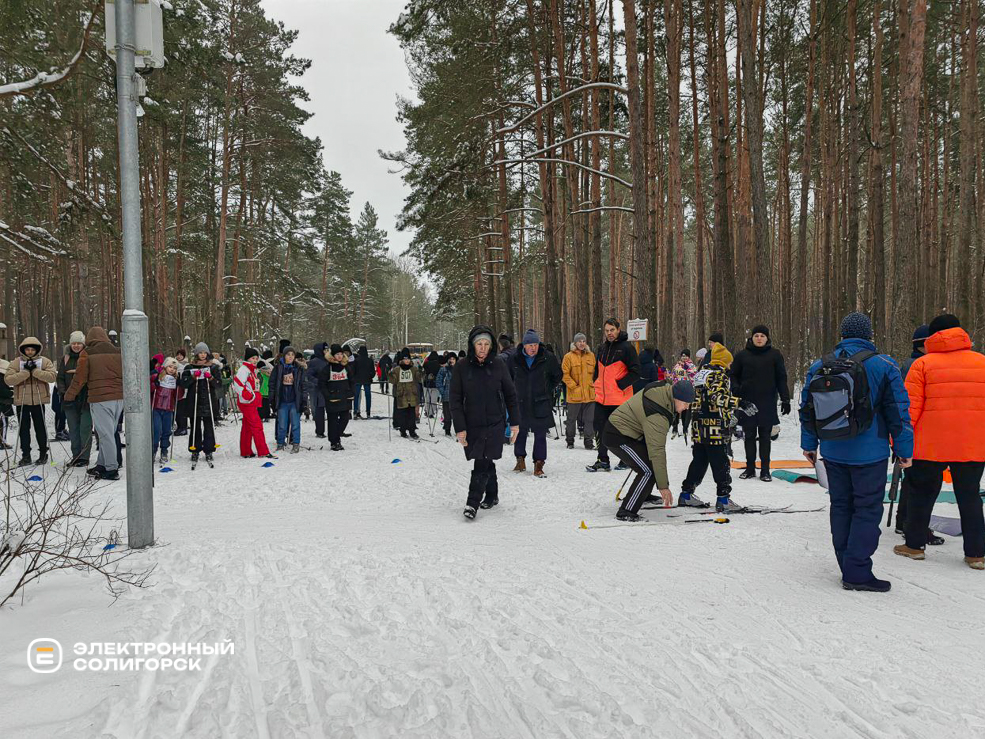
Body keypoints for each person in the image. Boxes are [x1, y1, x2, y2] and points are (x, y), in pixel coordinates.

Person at [800, 312, 913, 593]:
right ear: (869, 335)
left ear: (842, 334)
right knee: (866, 509)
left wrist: (809, 444)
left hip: (833, 450)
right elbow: (898, 412)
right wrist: (904, 450)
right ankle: (857, 572)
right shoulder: (884, 365)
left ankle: (846, 563)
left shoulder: (820, 365)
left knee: (841, 506)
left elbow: (807, 409)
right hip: (870, 454)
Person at [894, 314, 985, 570]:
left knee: (921, 494)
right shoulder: (982, 362)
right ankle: (976, 554)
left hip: (929, 444)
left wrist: (899, 441)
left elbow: (909, 409)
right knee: (970, 496)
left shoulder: (923, 365)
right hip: (973, 444)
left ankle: (914, 546)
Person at [450, 326, 519, 519]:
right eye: (479, 344)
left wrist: (515, 423)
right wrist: (460, 428)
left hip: (495, 422)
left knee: (482, 461)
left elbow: (510, 395)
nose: (482, 348)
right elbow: (455, 400)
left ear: (491, 347)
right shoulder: (462, 366)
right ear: (473, 345)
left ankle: (472, 504)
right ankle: (492, 494)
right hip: (472, 422)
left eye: (486, 344)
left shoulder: (498, 365)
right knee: (485, 458)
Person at [605, 380, 694, 520]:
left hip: (631, 434)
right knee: (648, 471)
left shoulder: (665, 392)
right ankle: (627, 511)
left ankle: (643, 493)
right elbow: (657, 450)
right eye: (686, 404)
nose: (686, 408)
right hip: (618, 435)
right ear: (677, 398)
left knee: (649, 466)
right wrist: (663, 486)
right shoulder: (657, 413)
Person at [680, 344, 746, 512]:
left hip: (698, 425)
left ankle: (686, 494)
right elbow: (718, 398)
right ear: (724, 362)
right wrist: (739, 403)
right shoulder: (719, 375)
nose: (730, 367)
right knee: (720, 462)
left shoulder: (701, 373)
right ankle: (723, 499)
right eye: (729, 363)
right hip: (714, 426)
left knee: (699, 461)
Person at [893, 325, 941, 543]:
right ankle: (912, 526)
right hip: (917, 432)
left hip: (909, 431)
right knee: (919, 485)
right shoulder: (919, 365)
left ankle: (903, 521)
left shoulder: (909, 363)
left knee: (910, 481)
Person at [730, 325, 791, 482]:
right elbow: (733, 375)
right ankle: (750, 469)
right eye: (756, 335)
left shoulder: (775, 355)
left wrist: (785, 398)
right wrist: (736, 389)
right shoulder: (742, 355)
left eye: (762, 336)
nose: (759, 338)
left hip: (767, 401)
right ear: (751, 338)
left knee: (765, 437)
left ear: (767, 338)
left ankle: (765, 470)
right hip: (747, 402)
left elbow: (781, 378)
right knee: (749, 436)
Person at [64, 327, 124, 480]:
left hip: (100, 399)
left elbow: (80, 378)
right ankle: (102, 464)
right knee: (109, 432)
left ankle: (111, 468)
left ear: (89, 340)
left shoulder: (88, 353)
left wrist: (69, 395)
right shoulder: (119, 351)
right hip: (119, 398)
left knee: (105, 434)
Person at [587, 319, 640, 472]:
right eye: (607, 331)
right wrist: (595, 381)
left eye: (612, 330)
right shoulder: (602, 348)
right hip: (601, 399)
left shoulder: (627, 348)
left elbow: (636, 372)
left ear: (618, 329)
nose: (609, 333)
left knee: (619, 431)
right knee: (599, 428)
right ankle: (602, 459)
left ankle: (625, 460)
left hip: (619, 399)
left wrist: (620, 385)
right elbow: (598, 370)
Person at [511, 329, 562, 478]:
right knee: (520, 432)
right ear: (524, 345)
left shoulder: (548, 358)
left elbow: (557, 375)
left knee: (540, 434)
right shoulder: (515, 358)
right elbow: (507, 376)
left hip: (541, 401)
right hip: (520, 401)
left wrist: (548, 388)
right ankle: (520, 459)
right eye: (530, 345)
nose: (533, 348)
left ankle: (539, 463)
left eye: (536, 344)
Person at [4, 336, 57, 467]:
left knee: (40, 428)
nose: (29, 352)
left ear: (37, 350)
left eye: (32, 349)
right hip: (22, 401)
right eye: (27, 349)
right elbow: (8, 380)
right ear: (23, 350)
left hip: (38, 400)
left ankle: (43, 452)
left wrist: (36, 371)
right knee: (23, 429)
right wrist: (26, 373)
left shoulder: (44, 361)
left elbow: (52, 377)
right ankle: (26, 455)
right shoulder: (16, 363)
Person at [179, 342, 222, 464]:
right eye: (200, 353)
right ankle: (195, 449)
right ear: (196, 354)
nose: (203, 355)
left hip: (208, 400)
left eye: (205, 353)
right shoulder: (189, 367)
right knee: (195, 427)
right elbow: (183, 383)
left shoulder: (213, 367)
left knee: (209, 427)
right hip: (194, 401)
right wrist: (192, 377)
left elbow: (219, 384)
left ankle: (209, 449)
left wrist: (211, 378)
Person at [57, 331, 93, 467]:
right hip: (69, 400)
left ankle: (84, 457)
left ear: (83, 344)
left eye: (79, 343)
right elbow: (60, 377)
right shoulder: (65, 359)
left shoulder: (89, 357)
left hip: (86, 399)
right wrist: (63, 392)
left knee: (85, 428)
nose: (76, 346)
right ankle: (76, 456)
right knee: (73, 429)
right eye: (74, 343)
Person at [233, 348, 274, 459]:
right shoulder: (244, 370)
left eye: (256, 358)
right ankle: (263, 451)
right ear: (248, 359)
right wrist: (249, 396)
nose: (255, 360)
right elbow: (236, 384)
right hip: (247, 402)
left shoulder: (251, 370)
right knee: (257, 426)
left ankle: (246, 451)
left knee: (247, 427)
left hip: (250, 402)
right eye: (252, 358)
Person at [562, 333, 596, 450]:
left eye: (584, 341)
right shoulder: (568, 357)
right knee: (571, 419)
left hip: (590, 394)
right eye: (579, 341)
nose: (582, 343)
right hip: (574, 394)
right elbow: (565, 375)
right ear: (575, 343)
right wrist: (574, 387)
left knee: (589, 419)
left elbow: (595, 373)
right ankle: (570, 440)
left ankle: (589, 441)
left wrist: (594, 385)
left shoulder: (591, 356)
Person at [320, 344, 355, 450]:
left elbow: (352, 381)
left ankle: (336, 436)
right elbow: (322, 384)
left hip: (345, 398)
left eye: (341, 354)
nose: (339, 356)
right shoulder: (327, 368)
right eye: (337, 354)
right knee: (333, 421)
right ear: (332, 356)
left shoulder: (346, 367)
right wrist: (328, 395)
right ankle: (334, 442)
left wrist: (351, 393)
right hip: (332, 399)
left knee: (345, 419)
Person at [270, 346, 305, 453]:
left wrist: (304, 402)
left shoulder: (299, 369)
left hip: (295, 401)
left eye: (292, 355)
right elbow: (272, 384)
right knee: (282, 424)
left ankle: (296, 444)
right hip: (282, 401)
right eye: (288, 354)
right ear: (284, 356)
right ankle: (280, 444)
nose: (290, 357)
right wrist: (272, 399)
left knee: (295, 424)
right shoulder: (278, 368)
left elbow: (304, 386)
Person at [151, 357, 180, 464]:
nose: (172, 369)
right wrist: (154, 383)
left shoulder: (175, 380)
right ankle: (153, 450)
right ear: (165, 367)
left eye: (174, 368)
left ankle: (164, 450)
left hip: (168, 409)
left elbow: (179, 396)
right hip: (157, 408)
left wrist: (179, 386)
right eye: (170, 367)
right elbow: (149, 388)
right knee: (156, 430)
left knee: (166, 431)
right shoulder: (157, 376)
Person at [389, 349, 422, 438]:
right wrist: (389, 374)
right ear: (402, 360)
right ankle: (403, 430)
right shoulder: (397, 369)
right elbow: (393, 381)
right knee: (402, 414)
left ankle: (412, 431)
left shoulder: (413, 369)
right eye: (405, 359)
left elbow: (419, 378)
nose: (407, 361)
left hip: (412, 394)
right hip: (402, 395)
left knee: (411, 414)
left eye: (408, 359)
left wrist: (422, 371)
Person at [670, 349, 698, 439]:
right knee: (676, 409)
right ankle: (675, 427)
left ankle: (685, 428)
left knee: (686, 409)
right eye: (682, 356)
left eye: (686, 356)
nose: (684, 357)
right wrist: (674, 383)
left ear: (689, 357)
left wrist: (687, 368)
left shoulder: (691, 365)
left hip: (687, 389)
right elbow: (673, 376)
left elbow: (694, 376)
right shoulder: (677, 365)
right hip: (677, 390)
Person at [305, 342, 328, 438]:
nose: (327, 351)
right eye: (325, 350)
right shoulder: (314, 362)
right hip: (319, 390)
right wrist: (318, 382)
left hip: (329, 389)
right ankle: (320, 431)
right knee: (319, 411)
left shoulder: (329, 360)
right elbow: (309, 375)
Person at [435, 352, 457, 436]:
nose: (452, 361)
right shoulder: (444, 369)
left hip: (458, 396)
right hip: (447, 395)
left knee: (457, 415)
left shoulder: (460, 369)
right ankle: (447, 429)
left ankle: (458, 430)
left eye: (453, 359)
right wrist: (442, 391)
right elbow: (438, 381)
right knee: (447, 414)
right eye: (450, 359)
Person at [352, 345, 375, 419]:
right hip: (367, 380)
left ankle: (355, 411)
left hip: (357, 380)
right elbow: (373, 372)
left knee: (356, 396)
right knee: (368, 396)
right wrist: (370, 376)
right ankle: (368, 412)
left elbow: (353, 371)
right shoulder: (370, 360)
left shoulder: (356, 360)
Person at [173, 348, 190, 436]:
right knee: (176, 410)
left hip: (183, 391)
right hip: (175, 390)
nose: (179, 356)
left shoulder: (186, 366)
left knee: (181, 410)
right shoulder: (173, 364)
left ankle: (183, 427)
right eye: (178, 354)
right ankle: (179, 426)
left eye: (181, 355)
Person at [422, 350, 441, 418]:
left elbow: (423, 372)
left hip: (426, 383)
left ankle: (427, 411)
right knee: (434, 399)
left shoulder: (426, 363)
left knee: (427, 399)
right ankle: (432, 412)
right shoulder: (439, 364)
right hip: (435, 384)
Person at [0, 359, 14, 451]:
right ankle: (2, 442)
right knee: (3, 423)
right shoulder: (1, 377)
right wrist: (12, 393)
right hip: (2, 404)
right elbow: (2, 390)